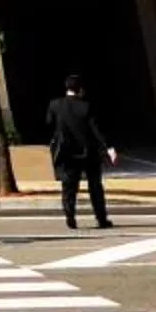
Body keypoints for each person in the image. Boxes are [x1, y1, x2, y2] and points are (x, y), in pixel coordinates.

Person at [46, 74, 115, 231]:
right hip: (88, 152)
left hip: (66, 152)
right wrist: (109, 148)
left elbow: (49, 126)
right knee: (95, 186)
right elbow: (97, 130)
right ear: (81, 90)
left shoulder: (55, 105)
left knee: (68, 186)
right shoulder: (86, 107)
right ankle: (101, 218)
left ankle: (70, 216)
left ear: (67, 88)